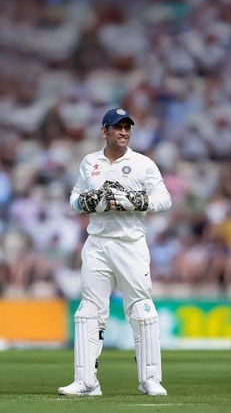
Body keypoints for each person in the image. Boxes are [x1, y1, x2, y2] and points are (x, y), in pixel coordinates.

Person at [58, 108, 172, 396]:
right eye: (117, 127)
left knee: (142, 309)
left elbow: (164, 199)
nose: (123, 132)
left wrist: (137, 201)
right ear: (104, 131)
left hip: (130, 244)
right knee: (88, 311)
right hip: (96, 243)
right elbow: (74, 198)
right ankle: (86, 382)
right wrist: (87, 201)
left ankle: (150, 380)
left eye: (127, 128)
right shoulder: (90, 162)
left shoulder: (143, 164)